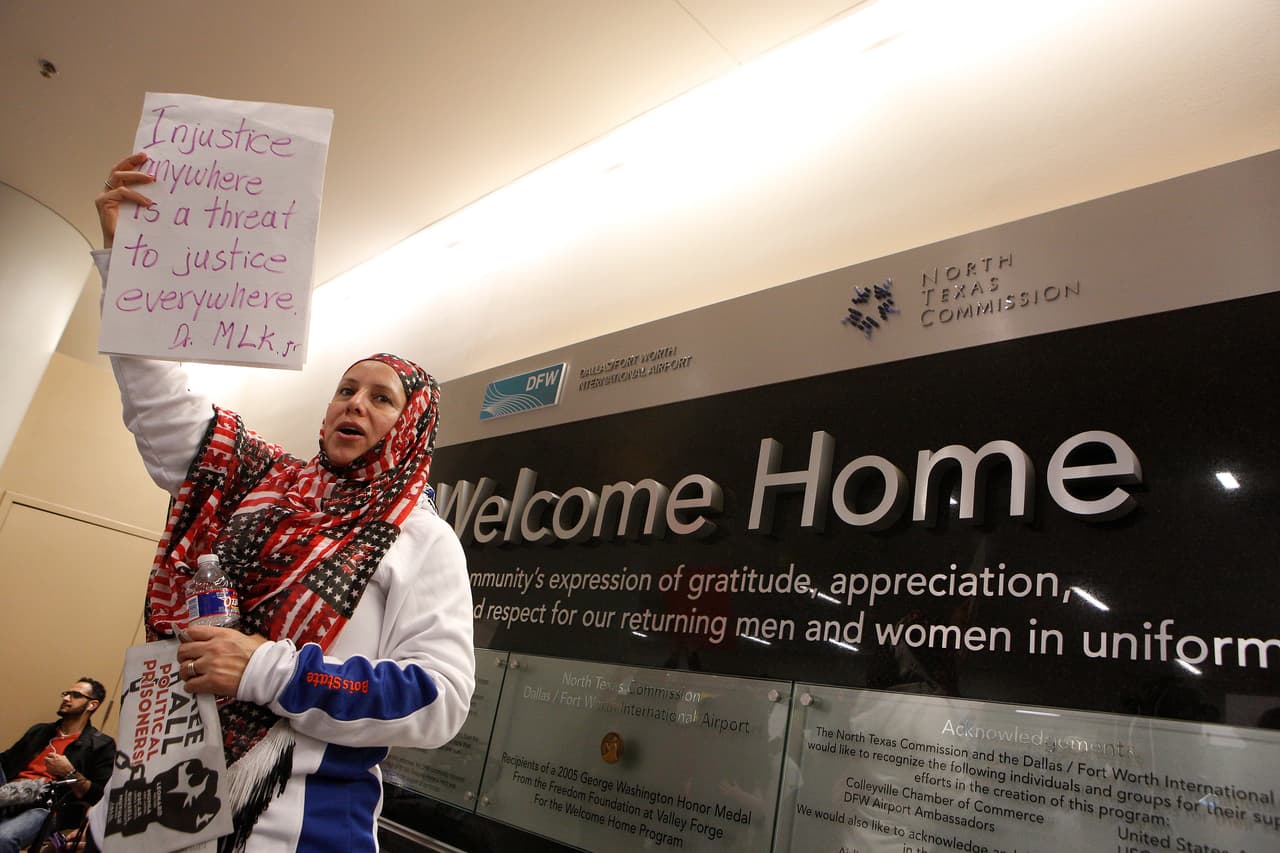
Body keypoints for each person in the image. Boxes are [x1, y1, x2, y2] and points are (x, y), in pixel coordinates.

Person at [88, 153, 475, 852]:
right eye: (345, 388)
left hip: (293, 831)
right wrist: (131, 264)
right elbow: (160, 409)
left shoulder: (423, 539)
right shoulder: (260, 479)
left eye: (381, 397)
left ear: (412, 427)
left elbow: (438, 699)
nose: (354, 402)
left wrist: (266, 668)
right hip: (156, 805)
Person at [0, 678, 115, 852]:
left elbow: (99, 795)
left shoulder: (101, 744)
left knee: (4, 838)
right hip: (8, 795)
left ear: (92, 705)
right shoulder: (40, 731)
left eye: (75, 695)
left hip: (44, 807)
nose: (67, 698)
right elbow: (5, 761)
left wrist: (70, 772)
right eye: (66, 693)